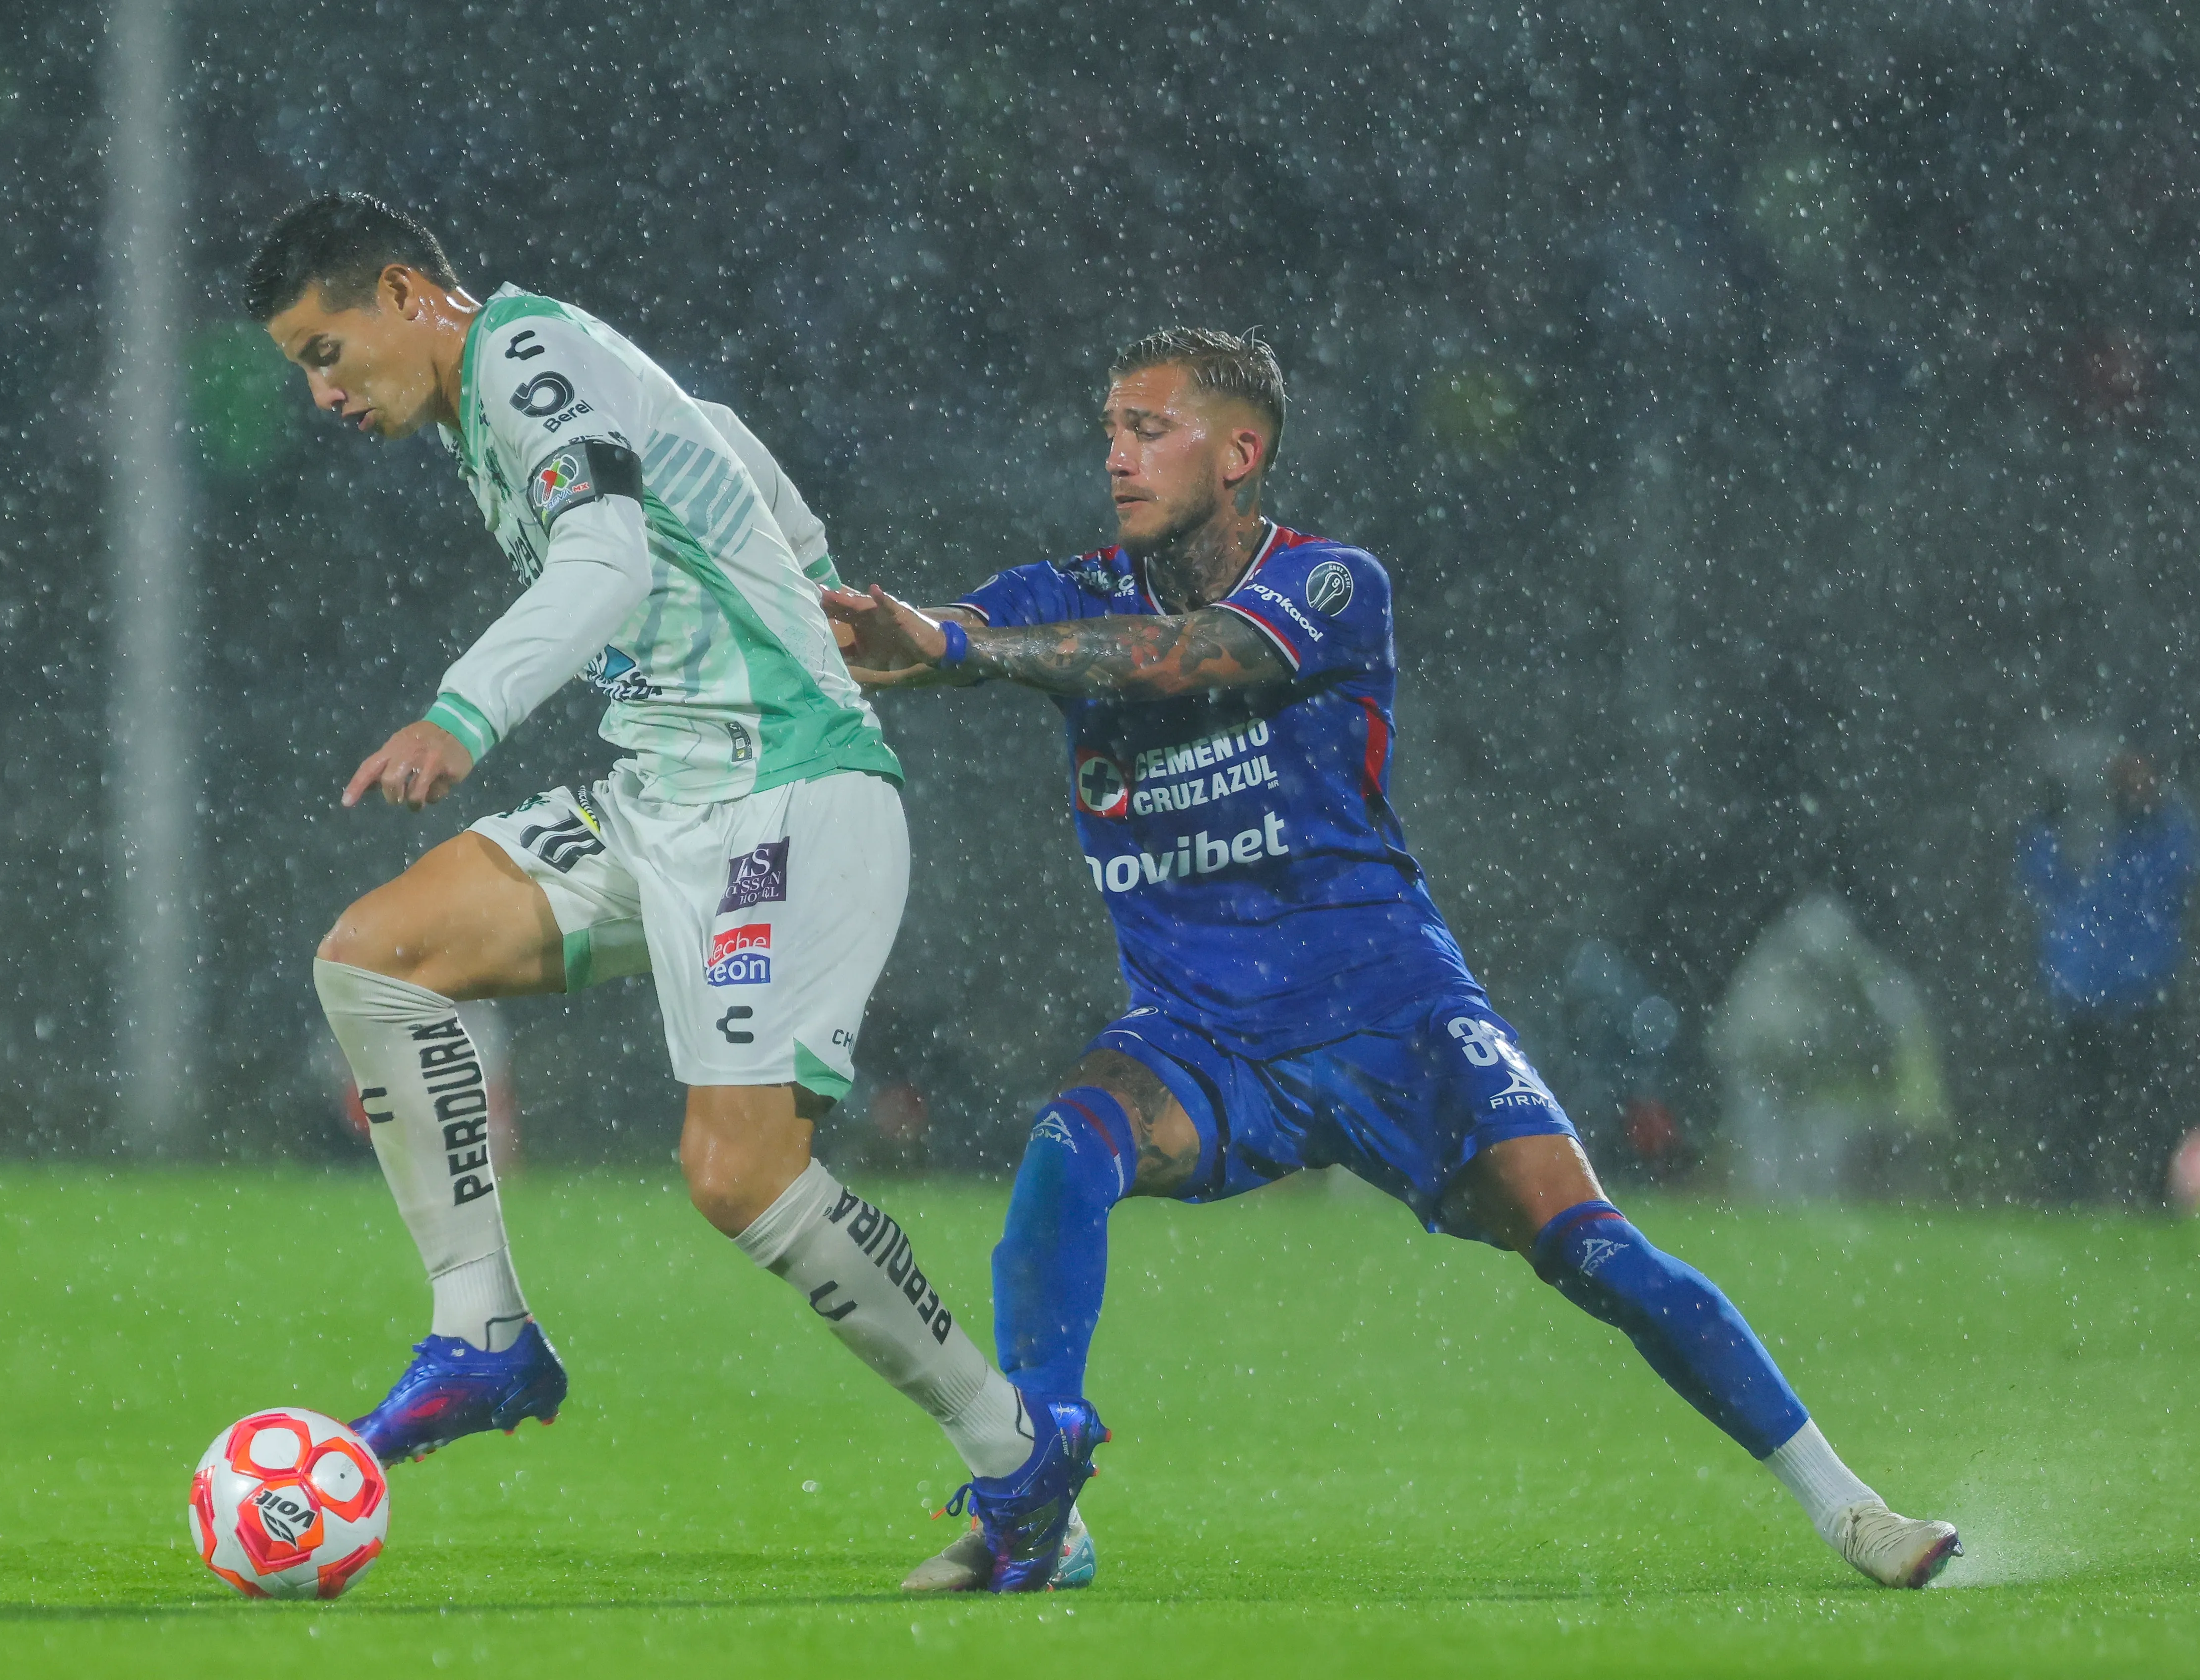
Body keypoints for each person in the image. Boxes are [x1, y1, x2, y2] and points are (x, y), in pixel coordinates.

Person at [828, 328, 1962, 1594]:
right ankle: (1037, 1501)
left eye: (1149, 428)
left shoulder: (1329, 584)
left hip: (1396, 1016)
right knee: (1066, 1147)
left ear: (1239, 452)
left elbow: (1190, 657)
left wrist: (959, 652)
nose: (1116, 456)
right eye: (1109, 430)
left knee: (1592, 1248)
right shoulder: (1070, 589)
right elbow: (960, 625)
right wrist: (897, 632)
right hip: (1205, 1034)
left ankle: (1851, 1506)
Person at [244, 195, 1057, 1550]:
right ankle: (482, 1332)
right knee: (376, 958)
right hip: (663, 791)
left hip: (782, 790)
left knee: (739, 1178)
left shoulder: (518, 354)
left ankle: (1019, 1458)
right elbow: (715, 438)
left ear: (402, 293)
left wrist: (462, 713)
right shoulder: (513, 391)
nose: (322, 395)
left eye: (325, 353)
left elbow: (607, 555)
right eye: (302, 371)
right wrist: (812, 582)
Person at [2016, 749, 2197, 1204]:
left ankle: (2150, 1198)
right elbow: (2046, 882)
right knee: (2079, 1108)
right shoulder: (2085, 833)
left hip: (2141, 993)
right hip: (2086, 996)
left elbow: (2176, 871)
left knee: (2149, 1109)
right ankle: (2068, 1197)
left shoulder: (2162, 832)